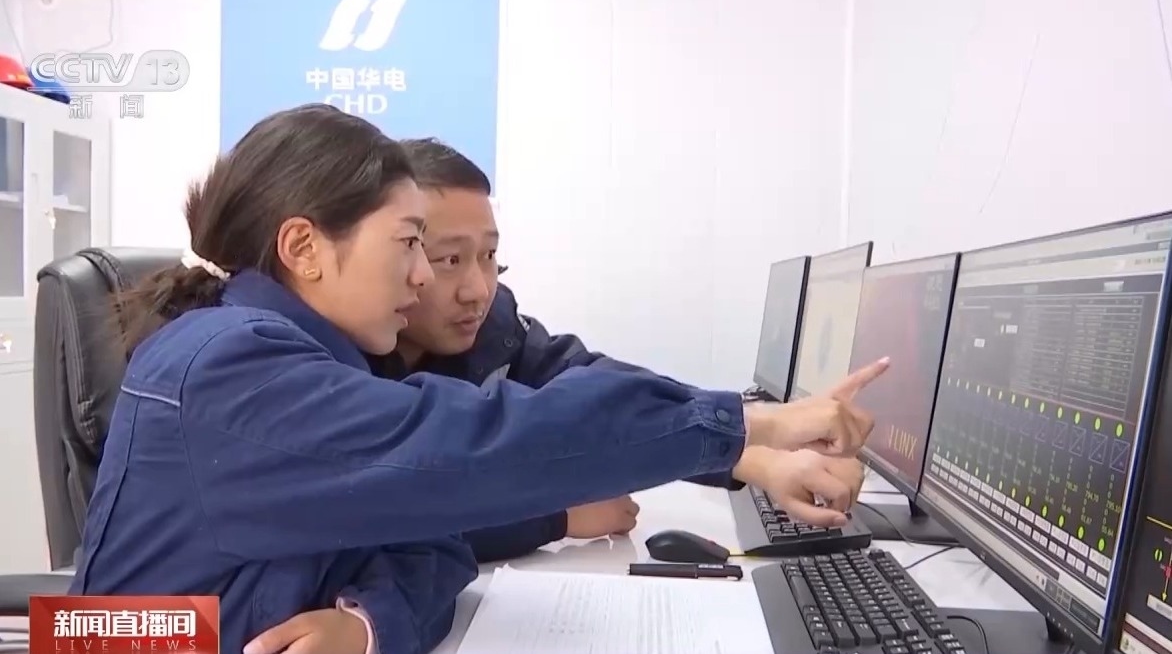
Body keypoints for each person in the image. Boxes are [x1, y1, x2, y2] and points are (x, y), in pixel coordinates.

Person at [72, 103, 887, 654]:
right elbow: (472, 450)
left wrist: (367, 621)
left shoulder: (312, 358)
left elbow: (433, 536)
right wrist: (740, 425)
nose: (426, 277)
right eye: (410, 244)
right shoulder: (231, 369)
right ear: (304, 248)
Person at [359, 137, 867, 562]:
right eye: (449, 260)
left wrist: (756, 455)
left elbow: (603, 397)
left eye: (489, 255)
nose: (477, 288)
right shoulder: (343, 366)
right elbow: (383, 521)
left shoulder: (496, 329)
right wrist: (555, 518)